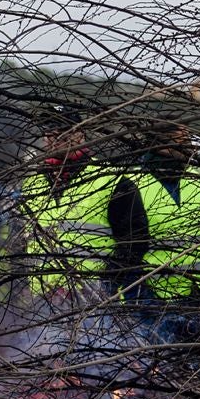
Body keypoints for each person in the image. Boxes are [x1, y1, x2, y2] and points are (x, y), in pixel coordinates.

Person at [17, 111, 130, 304]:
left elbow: (132, 241)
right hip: (43, 303)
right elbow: (21, 240)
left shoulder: (111, 179)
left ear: (81, 135)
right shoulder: (32, 183)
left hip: (95, 301)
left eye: (65, 131)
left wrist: (108, 284)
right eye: (51, 132)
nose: (57, 137)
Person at [112, 124, 200, 303]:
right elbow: (127, 249)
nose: (189, 147)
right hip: (153, 298)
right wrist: (137, 297)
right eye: (183, 141)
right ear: (162, 145)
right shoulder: (130, 185)